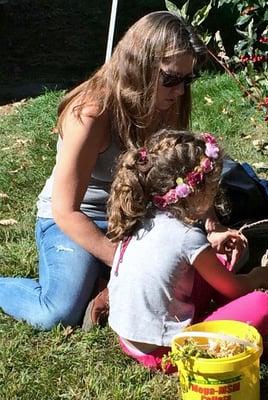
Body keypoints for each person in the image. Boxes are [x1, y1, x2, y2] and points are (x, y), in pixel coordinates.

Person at [0, 11, 227, 330]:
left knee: (196, 265)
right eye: (171, 79)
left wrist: (210, 224)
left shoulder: (169, 99)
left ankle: (104, 285)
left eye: (188, 79)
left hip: (137, 209)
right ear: (139, 67)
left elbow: (179, 176)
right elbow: (65, 210)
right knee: (56, 313)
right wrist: (127, 262)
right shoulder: (91, 112)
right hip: (80, 217)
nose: (179, 90)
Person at [107, 129, 268, 373]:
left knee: (216, 264)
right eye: (214, 187)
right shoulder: (187, 236)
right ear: (197, 190)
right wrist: (261, 275)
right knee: (262, 305)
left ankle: (253, 338)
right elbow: (236, 288)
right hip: (168, 353)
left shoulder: (144, 215)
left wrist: (219, 256)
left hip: (130, 340)